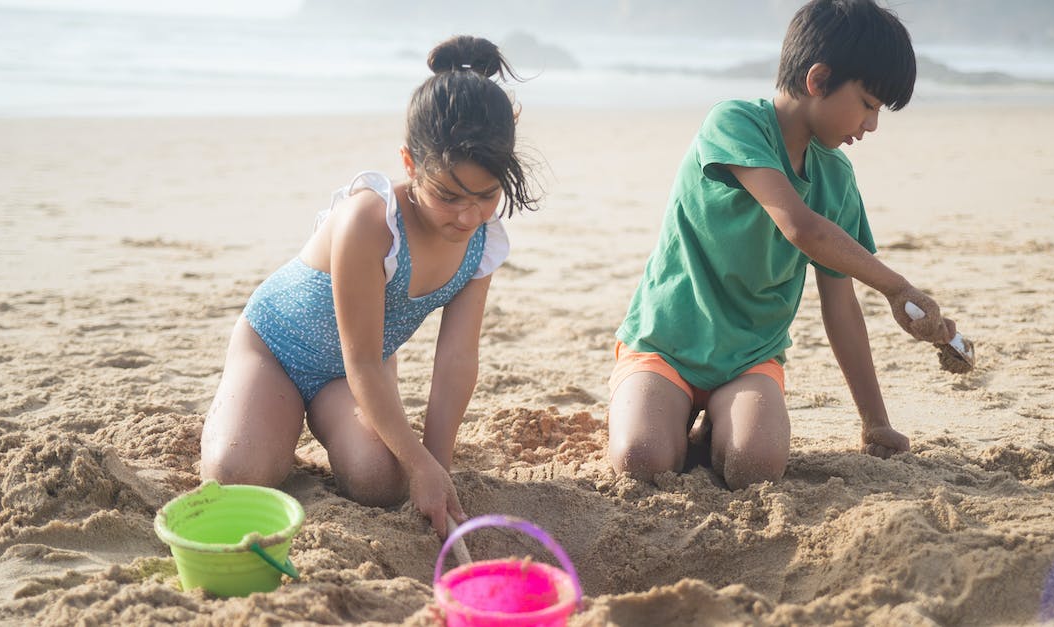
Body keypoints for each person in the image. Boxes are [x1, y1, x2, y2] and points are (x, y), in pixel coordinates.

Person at [607, 0, 961, 490]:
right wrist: (897, 287)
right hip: (665, 345)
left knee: (755, 468)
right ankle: (666, 408)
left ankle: (717, 421)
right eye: (868, 104)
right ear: (818, 80)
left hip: (750, 357)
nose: (872, 125)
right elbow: (800, 227)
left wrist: (874, 420)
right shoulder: (734, 124)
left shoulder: (837, 178)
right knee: (642, 459)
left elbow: (841, 306)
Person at [200, 36, 538, 538]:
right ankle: (266, 409)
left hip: (354, 372)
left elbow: (456, 362)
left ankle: (313, 419)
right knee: (239, 474)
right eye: (448, 195)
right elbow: (360, 358)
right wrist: (420, 463)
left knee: (382, 483)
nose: (468, 216)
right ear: (410, 164)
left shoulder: (481, 243)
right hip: (276, 347)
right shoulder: (371, 219)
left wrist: (435, 468)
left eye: (485, 196)